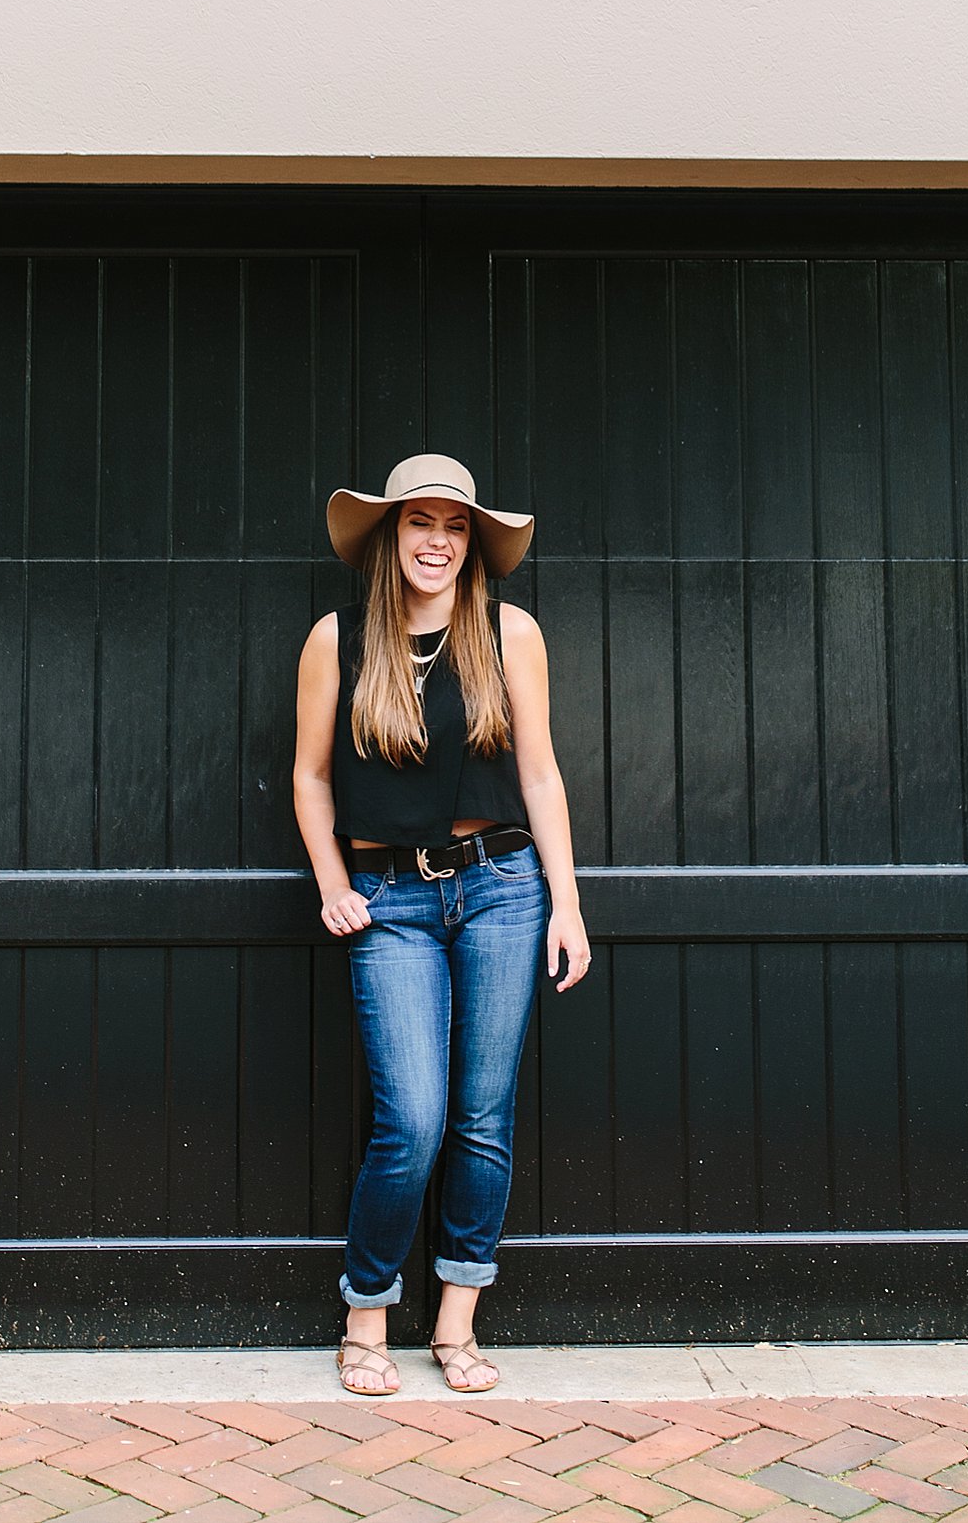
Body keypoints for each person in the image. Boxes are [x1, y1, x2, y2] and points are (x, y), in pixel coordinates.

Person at [292, 453, 591, 1399]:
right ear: (389, 537)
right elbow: (310, 778)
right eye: (419, 522)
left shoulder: (511, 632)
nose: (437, 540)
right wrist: (333, 881)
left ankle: (457, 1322)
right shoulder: (336, 639)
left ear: (473, 542)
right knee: (412, 1119)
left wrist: (568, 901)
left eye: (454, 525)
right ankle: (367, 1311)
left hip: (502, 887)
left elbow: (539, 776)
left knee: (481, 1118)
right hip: (390, 901)